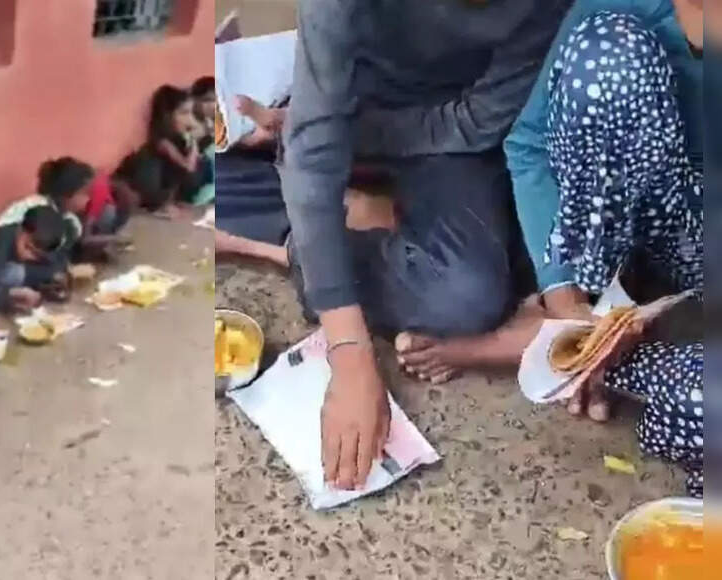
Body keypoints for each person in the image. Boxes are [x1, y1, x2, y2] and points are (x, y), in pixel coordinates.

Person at [281, 1, 568, 490]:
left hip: (451, 135)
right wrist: (349, 353)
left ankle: (343, 230)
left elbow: (481, 120)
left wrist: (359, 141)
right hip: (348, 108)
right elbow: (312, 151)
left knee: (471, 294)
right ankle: (313, 246)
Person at [495, 0, 701, 496]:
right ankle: (585, 332)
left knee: (698, 402)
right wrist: (565, 292)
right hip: (654, 215)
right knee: (603, 59)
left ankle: (548, 350)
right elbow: (531, 146)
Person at [0, 206, 69, 312]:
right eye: (27, 247)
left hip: (14, 282)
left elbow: (60, 262)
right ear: (20, 229)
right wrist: (12, 293)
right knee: (13, 271)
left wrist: (55, 278)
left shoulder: (42, 241)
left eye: (36, 255)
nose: (27, 256)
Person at [141, 85, 214, 212]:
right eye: (183, 113)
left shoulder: (181, 138)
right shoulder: (163, 142)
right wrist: (194, 143)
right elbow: (189, 167)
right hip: (170, 192)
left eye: (191, 112)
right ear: (168, 116)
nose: (189, 119)